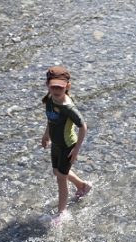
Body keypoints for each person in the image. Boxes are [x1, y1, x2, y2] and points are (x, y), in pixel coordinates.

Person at [41, 66, 92, 221]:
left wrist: (76, 150)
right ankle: (82, 186)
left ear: (68, 86)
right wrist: (46, 135)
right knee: (57, 172)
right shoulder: (50, 100)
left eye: (60, 87)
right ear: (47, 85)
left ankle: (61, 212)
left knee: (60, 178)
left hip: (67, 146)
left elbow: (83, 126)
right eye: (53, 87)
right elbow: (51, 119)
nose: (56, 90)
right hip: (56, 143)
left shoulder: (68, 107)